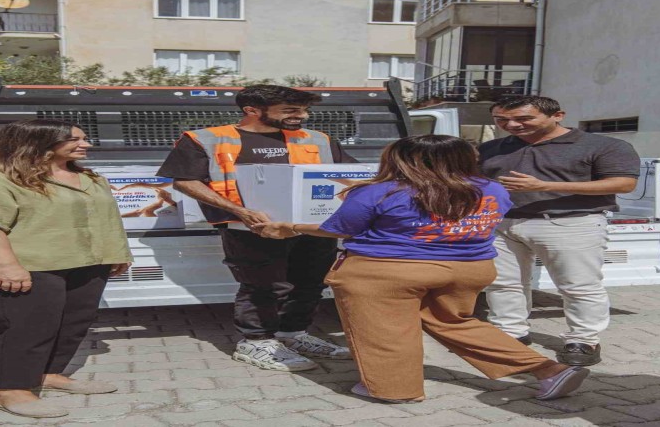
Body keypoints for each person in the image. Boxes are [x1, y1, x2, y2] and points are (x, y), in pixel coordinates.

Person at [253, 135, 590, 403]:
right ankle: (549, 370)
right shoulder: (493, 188)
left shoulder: (379, 191)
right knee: (456, 324)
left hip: (387, 271)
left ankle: (391, 389)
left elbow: (340, 228)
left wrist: (289, 227)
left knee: (384, 332)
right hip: (469, 268)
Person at [156, 85, 354, 372]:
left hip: (310, 226)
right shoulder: (208, 139)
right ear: (251, 110)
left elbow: (349, 175)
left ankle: (293, 334)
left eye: (304, 110)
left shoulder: (318, 139)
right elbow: (185, 181)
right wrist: (240, 211)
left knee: (311, 283)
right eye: (290, 110)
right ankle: (256, 341)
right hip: (250, 226)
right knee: (264, 285)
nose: (302, 116)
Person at [0, 119, 132, 418]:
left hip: (87, 262)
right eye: (74, 139)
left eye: (84, 138)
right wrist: (5, 265)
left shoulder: (90, 178)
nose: (86, 144)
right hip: (28, 265)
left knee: (74, 323)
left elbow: (107, 218)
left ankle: (48, 374)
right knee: (29, 327)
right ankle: (10, 390)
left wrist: (118, 252)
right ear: (38, 142)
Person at [478, 96, 640, 366]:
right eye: (502, 119)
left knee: (578, 285)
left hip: (569, 223)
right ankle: (510, 334)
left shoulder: (603, 145)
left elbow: (623, 184)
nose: (512, 125)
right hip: (501, 224)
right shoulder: (491, 148)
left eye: (523, 118)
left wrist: (543, 186)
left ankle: (583, 340)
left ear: (557, 115)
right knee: (503, 283)